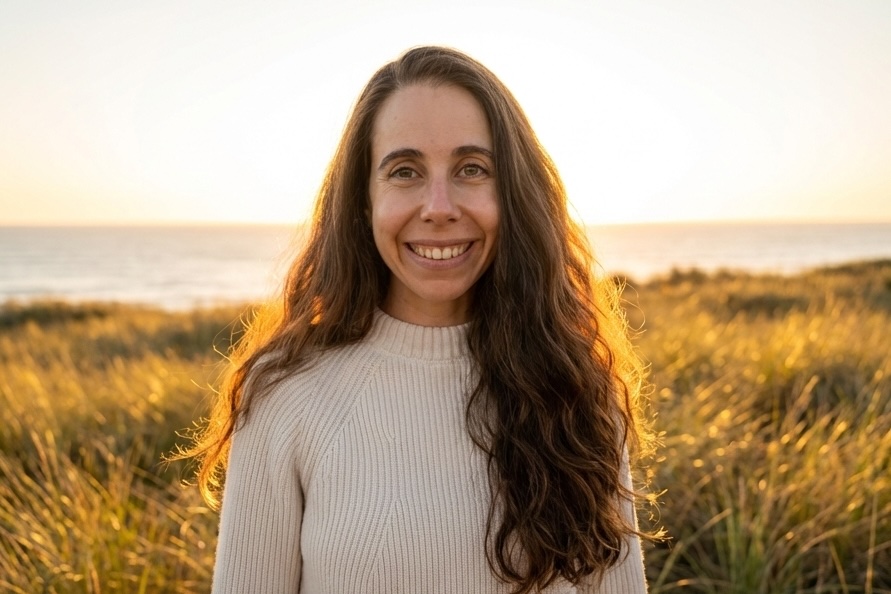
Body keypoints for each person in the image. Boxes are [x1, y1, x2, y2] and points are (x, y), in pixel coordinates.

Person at [184, 45, 653, 593]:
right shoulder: (284, 394)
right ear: (362, 200)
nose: (438, 205)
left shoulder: (575, 385)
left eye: (472, 169)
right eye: (404, 171)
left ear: (514, 194)